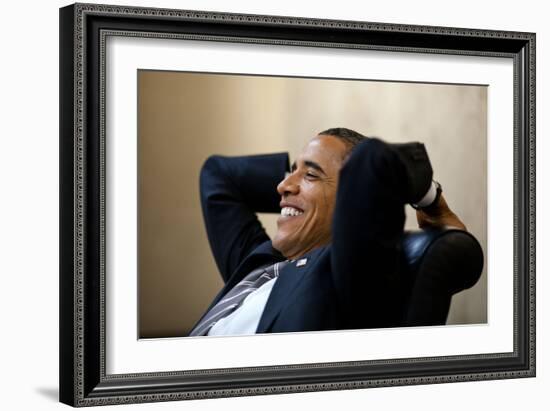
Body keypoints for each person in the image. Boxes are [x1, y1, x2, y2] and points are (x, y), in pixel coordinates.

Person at [188, 128, 466, 337]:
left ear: (351, 200)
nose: (281, 186)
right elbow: (218, 174)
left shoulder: (344, 276)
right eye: (290, 172)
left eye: (311, 174)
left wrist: (429, 199)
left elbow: (373, 160)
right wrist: (300, 180)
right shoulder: (259, 262)